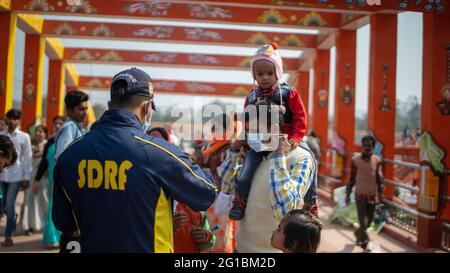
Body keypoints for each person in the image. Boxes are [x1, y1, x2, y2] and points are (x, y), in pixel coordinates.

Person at [52, 67, 216, 253]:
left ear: (109, 104)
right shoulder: (160, 154)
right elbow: (206, 193)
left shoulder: (70, 155)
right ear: (147, 107)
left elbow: (62, 220)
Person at [221, 103, 316, 252]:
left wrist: (279, 158)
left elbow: (285, 210)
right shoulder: (254, 155)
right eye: (249, 131)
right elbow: (227, 188)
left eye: (257, 131)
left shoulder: (301, 159)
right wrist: (233, 152)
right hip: (240, 248)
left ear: (275, 129)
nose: (252, 136)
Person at [230, 42, 308, 220]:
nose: (265, 77)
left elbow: (300, 117)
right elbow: (246, 121)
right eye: (260, 74)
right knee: (246, 170)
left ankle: (311, 202)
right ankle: (240, 200)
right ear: (254, 75)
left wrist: (296, 137)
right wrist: (245, 141)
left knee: (310, 158)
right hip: (260, 142)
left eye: (270, 73)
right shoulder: (251, 96)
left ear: (277, 73)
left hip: (287, 139)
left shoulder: (290, 93)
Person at [0, 109, 32, 247]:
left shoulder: (24, 137)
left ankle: (8, 236)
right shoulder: (1, 135)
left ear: (19, 120)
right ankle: (12, 219)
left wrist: (27, 177)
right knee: (3, 206)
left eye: (15, 119)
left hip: (16, 176)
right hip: (2, 175)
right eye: (10, 118)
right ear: (6, 119)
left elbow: (27, 158)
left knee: (10, 204)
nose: (12, 121)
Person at [345, 135, 384, 249]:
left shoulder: (377, 160)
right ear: (362, 146)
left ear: (373, 147)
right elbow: (351, 179)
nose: (367, 148)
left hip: (372, 196)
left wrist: (381, 193)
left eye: (370, 146)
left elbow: (379, 178)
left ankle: (358, 233)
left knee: (369, 221)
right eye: (366, 146)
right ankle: (364, 242)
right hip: (360, 196)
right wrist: (348, 194)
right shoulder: (355, 160)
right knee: (363, 222)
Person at [33, 116, 65, 248]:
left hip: (66, 182)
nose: (57, 126)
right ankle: (52, 239)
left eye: (60, 123)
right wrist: (36, 179)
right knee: (52, 209)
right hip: (52, 182)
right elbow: (44, 164)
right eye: (55, 123)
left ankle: (62, 238)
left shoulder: (70, 139)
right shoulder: (50, 142)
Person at [20, 125, 48, 236]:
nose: (38, 133)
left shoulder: (48, 144)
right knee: (29, 200)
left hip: (44, 176)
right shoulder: (30, 145)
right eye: (36, 131)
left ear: (45, 133)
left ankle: (43, 225)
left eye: (41, 131)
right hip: (31, 175)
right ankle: (28, 226)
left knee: (43, 200)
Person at [54, 90, 89, 160]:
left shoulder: (78, 127)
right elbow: (62, 155)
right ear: (69, 111)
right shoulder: (70, 127)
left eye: (86, 109)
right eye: (81, 109)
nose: (85, 113)